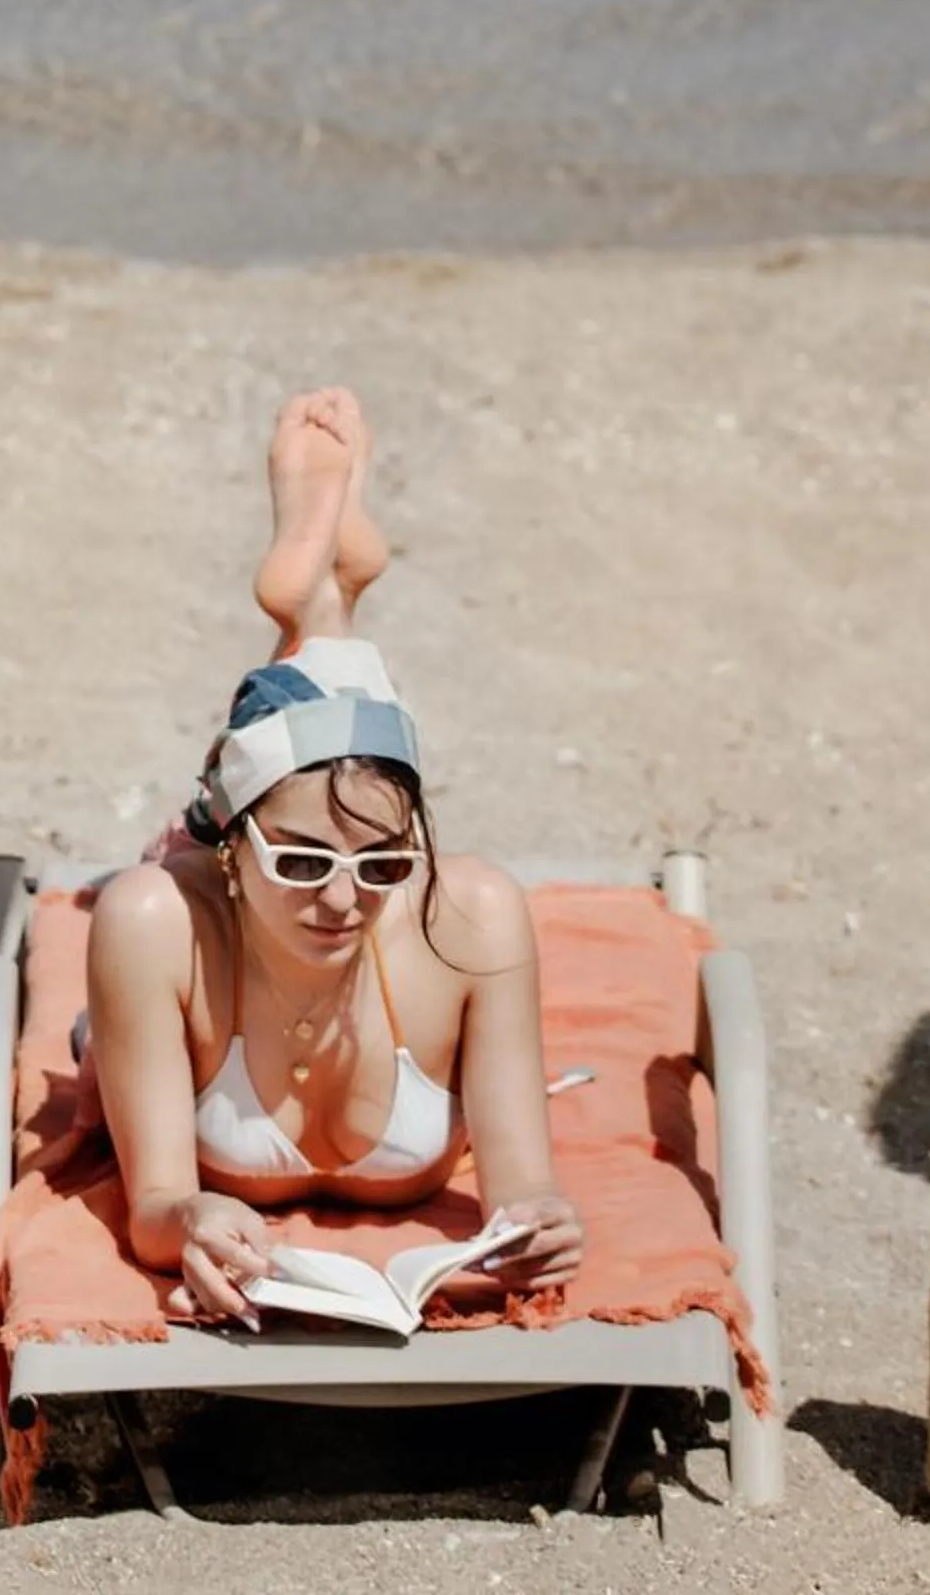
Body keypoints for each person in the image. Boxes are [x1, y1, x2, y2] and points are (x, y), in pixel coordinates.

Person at [86, 389, 584, 1323]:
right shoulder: (156, 924)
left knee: (332, 785)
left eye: (383, 865)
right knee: (113, 981)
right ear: (237, 849)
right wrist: (188, 1213)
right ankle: (319, 604)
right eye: (305, 864)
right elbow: (154, 1204)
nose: (345, 900)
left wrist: (541, 1226)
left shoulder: (468, 918)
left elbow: (524, 1193)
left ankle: (323, 601)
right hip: (197, 915)